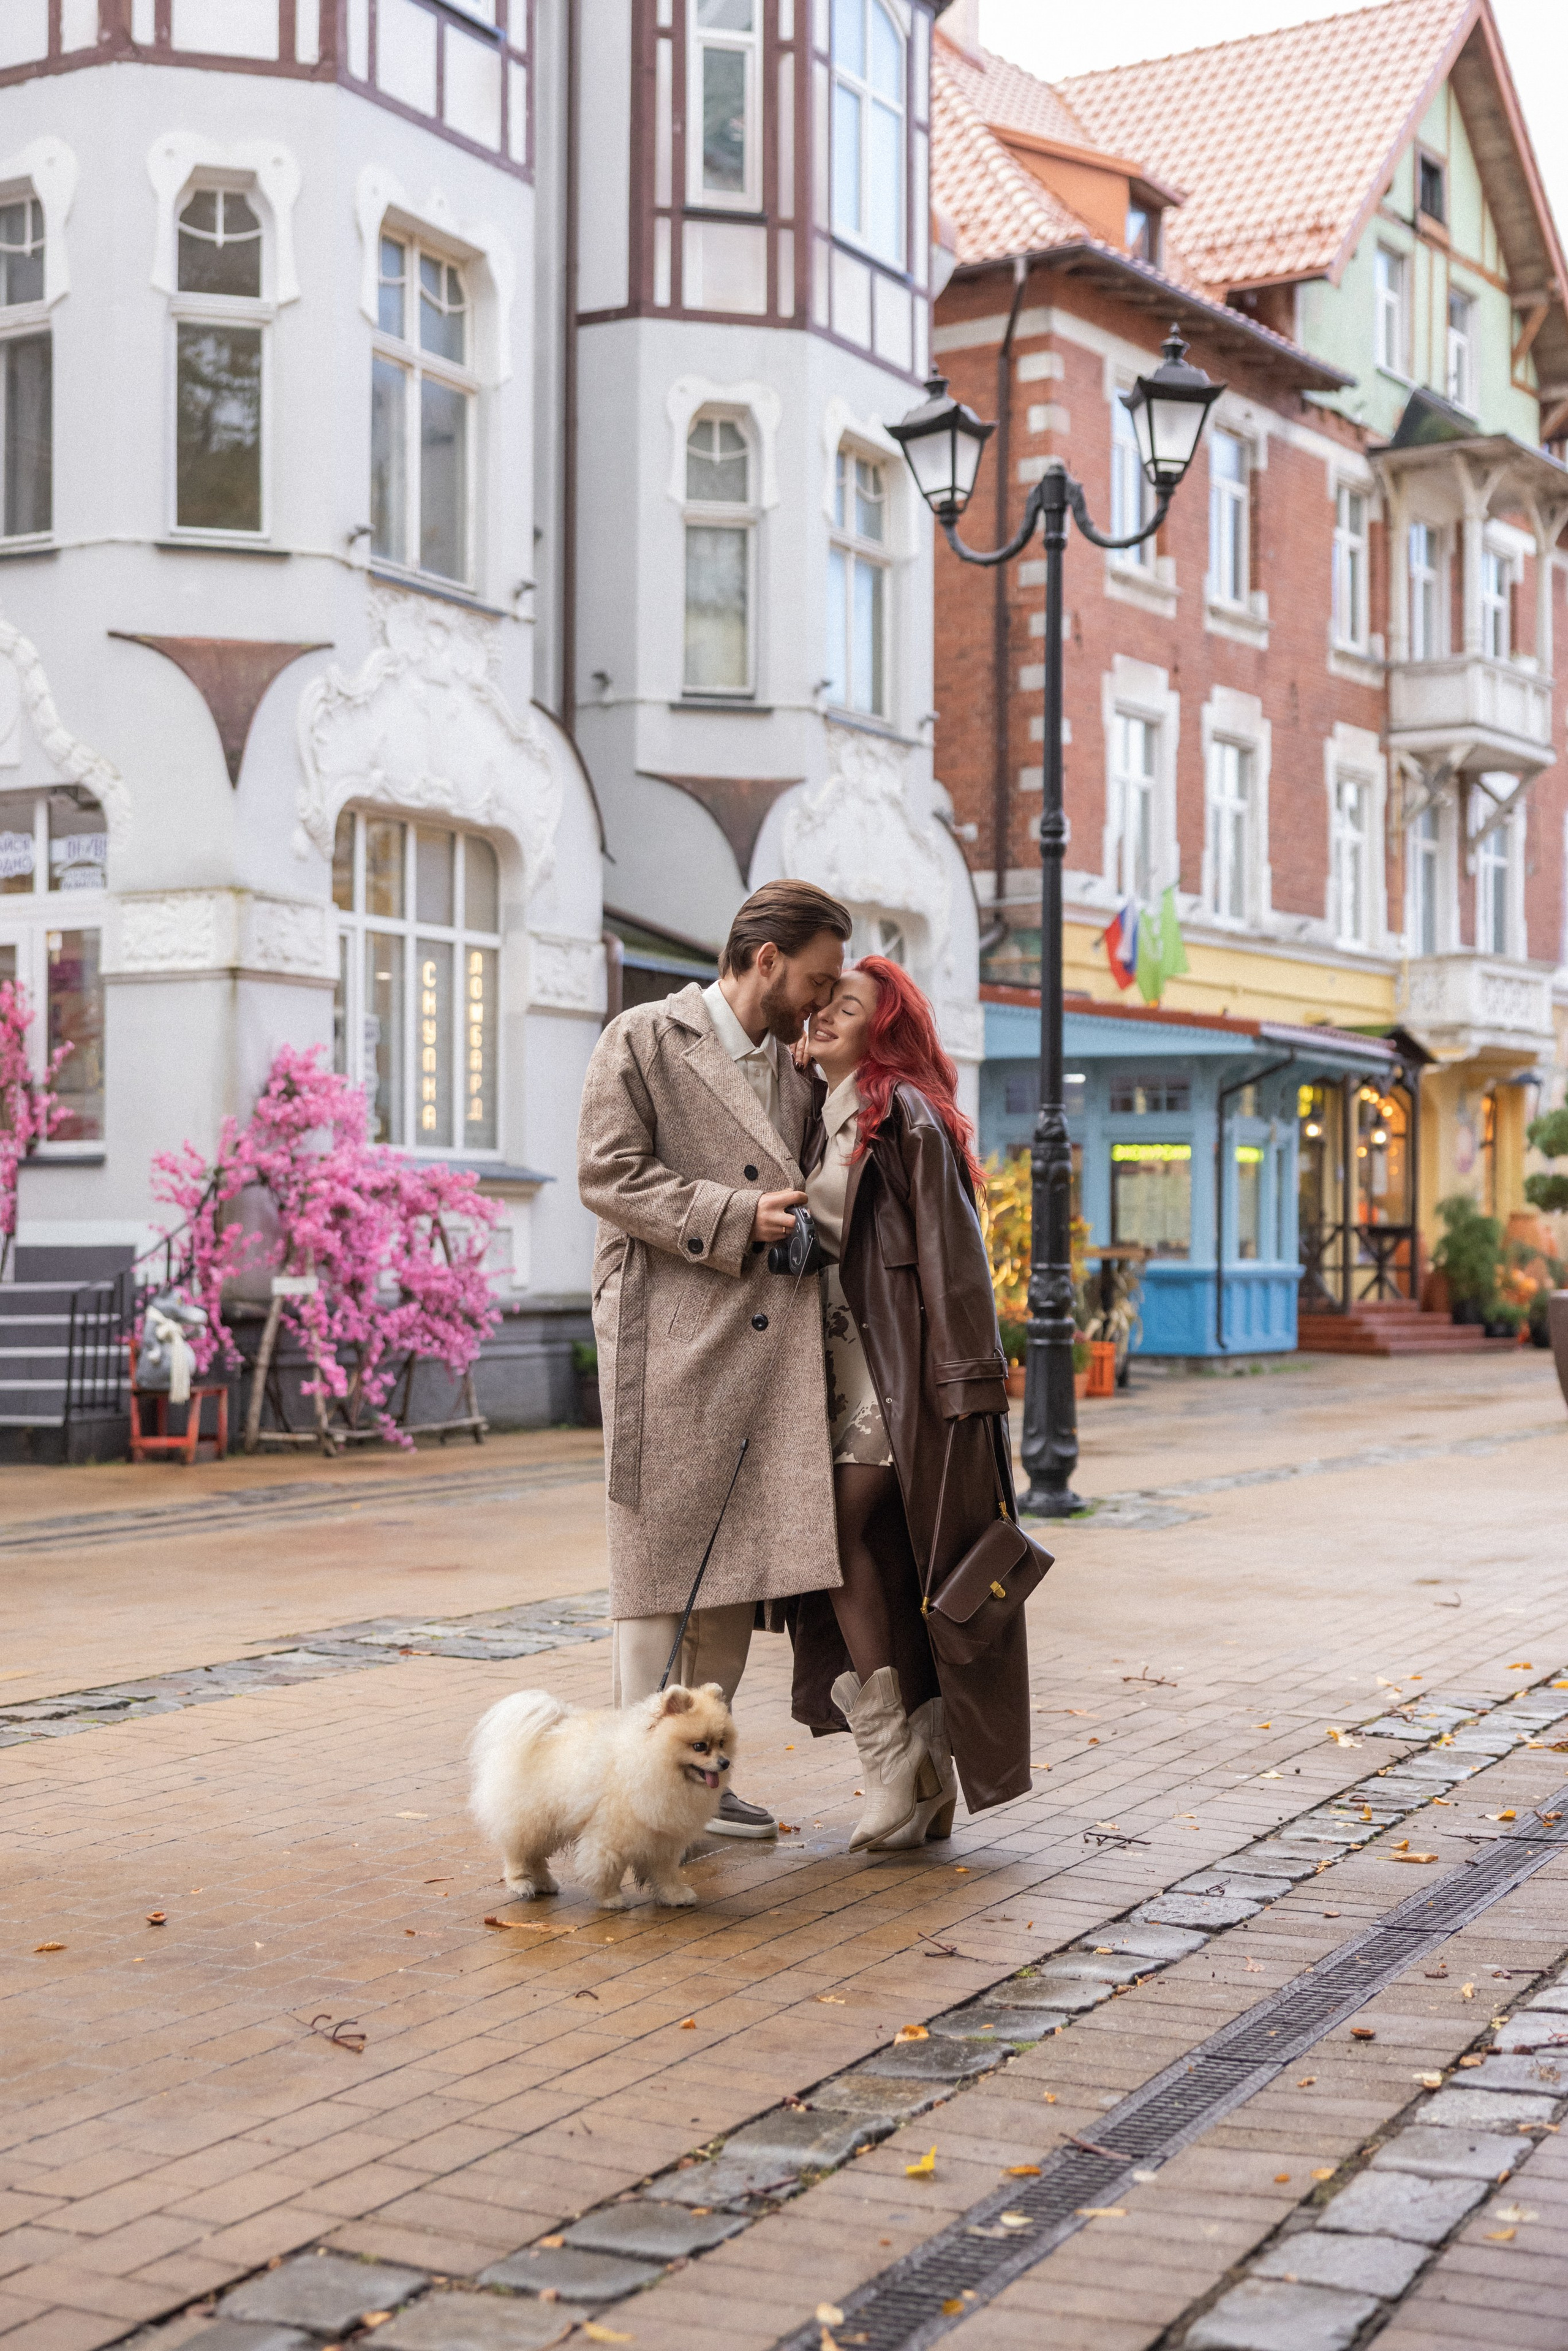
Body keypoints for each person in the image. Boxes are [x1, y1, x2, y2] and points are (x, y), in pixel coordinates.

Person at [577, 879, 853, 1838]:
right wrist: (737, 1215)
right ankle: (629, 1779)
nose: (823, 1001)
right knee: (658, 1566)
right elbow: (607, 1175)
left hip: (764, 1344)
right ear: (765, 958)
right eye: (816, 981)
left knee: (737, 1569)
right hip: (672, 1337)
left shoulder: (796, 1069)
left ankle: (700, 1777)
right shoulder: (645, 1038)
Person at [790, 957, 1028, 1849]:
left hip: (894, 1379)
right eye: (819, 1002)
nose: (820, 1015)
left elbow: (954, 1259)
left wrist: (968, 1384)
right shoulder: (824, 1114)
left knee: (838, 1537)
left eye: (842, 1007)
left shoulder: (903, 1115)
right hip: (846, 1369)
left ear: (881, 1029)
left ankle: (893, 1765)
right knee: (883, 1558)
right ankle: (920, 1773)